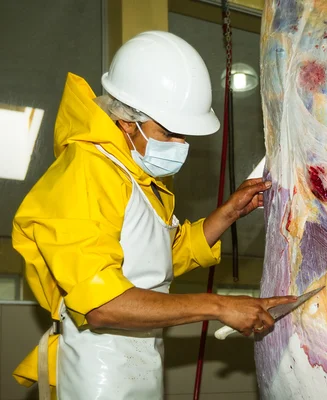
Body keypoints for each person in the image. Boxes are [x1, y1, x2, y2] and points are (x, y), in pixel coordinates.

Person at [11, 30, 296, 400]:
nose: (180, 145)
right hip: (96, 374)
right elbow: (102, 304)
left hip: (139, 359)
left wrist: (226, 214)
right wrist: (220, 306)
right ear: (128, 120)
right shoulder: (85, 172)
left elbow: (154, 262)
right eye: (169, 131)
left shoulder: (134, 175)